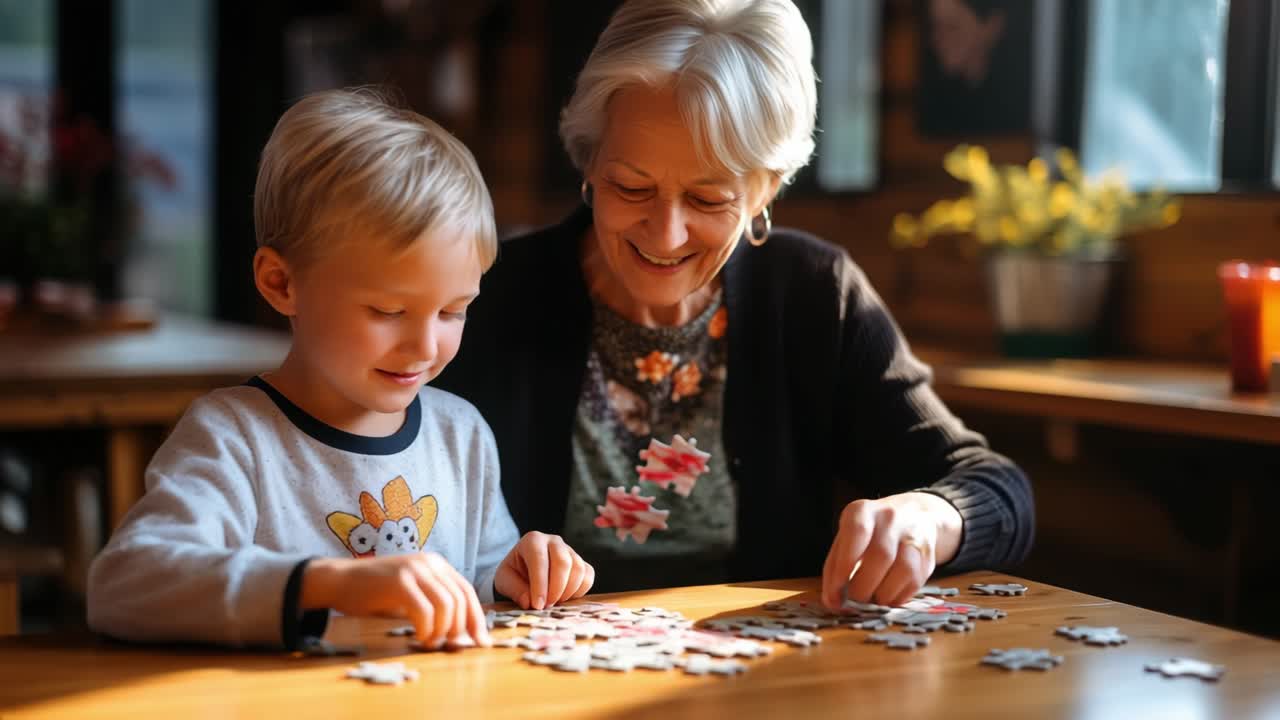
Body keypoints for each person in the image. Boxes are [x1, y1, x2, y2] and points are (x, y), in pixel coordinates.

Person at [434, 0, 1033, 609]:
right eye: (630, 186)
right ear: (589, 157)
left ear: (765, 187)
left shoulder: (813, 292)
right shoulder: (485, 296)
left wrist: (930, 517)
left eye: (708, 197)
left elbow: (996, 488)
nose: (665, 234)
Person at [87, 88, 594, 650]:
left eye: (453, 310)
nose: (424, 346)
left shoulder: (462, 435)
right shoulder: (232, 437)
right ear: (282, 284)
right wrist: (326, 584)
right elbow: (123, 584)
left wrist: (515, 574)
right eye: (387, 311)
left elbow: (475, 580)